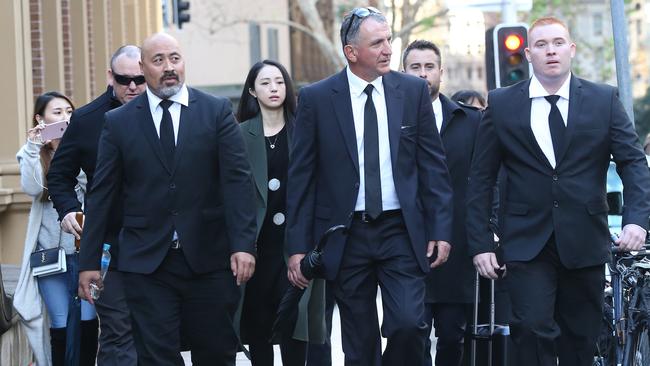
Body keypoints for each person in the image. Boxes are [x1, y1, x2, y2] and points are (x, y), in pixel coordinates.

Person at [466, 16, 650, 366]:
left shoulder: (603, 100)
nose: (551, 50)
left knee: (581, 340)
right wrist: (479, 243)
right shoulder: (502, 104)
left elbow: (634, 162)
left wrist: (636, 220)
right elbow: (481, 177)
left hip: (585, 241)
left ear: (571, 49)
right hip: (524, 242)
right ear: (528, 53)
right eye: (541, 44)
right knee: (531, 330)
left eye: (558, 43)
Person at [77, 33, 258, 366]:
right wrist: (89, 261)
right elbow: (101, 193)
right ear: (143, 68)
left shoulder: (215, 111)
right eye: (158, 60)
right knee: (156, 358)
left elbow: (238, 183)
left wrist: (243, 244)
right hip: (146, 263)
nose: (168, 67)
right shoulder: (118, 123)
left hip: (209, 259)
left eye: (174, 58)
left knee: (216, 353)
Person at [286, 7, 453, 366]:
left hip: (401, 231)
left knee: (409, 324)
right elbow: (301, 177)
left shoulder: (412, 92)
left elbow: (433, 167)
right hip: (346, 235)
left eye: (388, 40)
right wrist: (297, 247)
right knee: (359, 346)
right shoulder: (316, 98)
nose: (388, 50)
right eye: (377, 43)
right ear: (351, 52)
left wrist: (441, 228)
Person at [47, 44, 144, 366]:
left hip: (159, 242)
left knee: (155, 330)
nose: (132, 86)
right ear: (110, 76)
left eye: (140, 79)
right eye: (124, 78)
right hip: (107, 244)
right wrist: (70, 210)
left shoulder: (166, 115)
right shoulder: (88, 119)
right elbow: (59, 175)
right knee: (119, 329)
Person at [237, 59, 323, 365]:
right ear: (252, 90)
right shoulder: (239, 134)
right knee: (259, 326)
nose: (274, 88)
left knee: (294, 324)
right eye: (265, 83)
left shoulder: (304, 130)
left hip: (296, 245)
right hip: (258, 248)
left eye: (279, 81)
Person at [402, 39, 482, 366]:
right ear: (402, 73)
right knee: (410, 333)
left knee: (452, 336)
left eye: (428, 67)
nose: (423, 75)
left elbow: (485, 181)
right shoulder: (390, 122)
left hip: (457, 246)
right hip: (406, 245)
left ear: (441, 72)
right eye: (415, 68)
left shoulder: (471, 121)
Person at [14, 92, 98, 366]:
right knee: (60, 321)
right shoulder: (32, 154)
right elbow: (32, 188)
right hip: (49, 254)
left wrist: (71, 150)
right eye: (57, 113)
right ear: (40, 119)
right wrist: (34, 146)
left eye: (69, 112)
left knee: (88, 318)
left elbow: (92, 188)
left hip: (84, 248)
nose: (65, 118)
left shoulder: (83, 146)